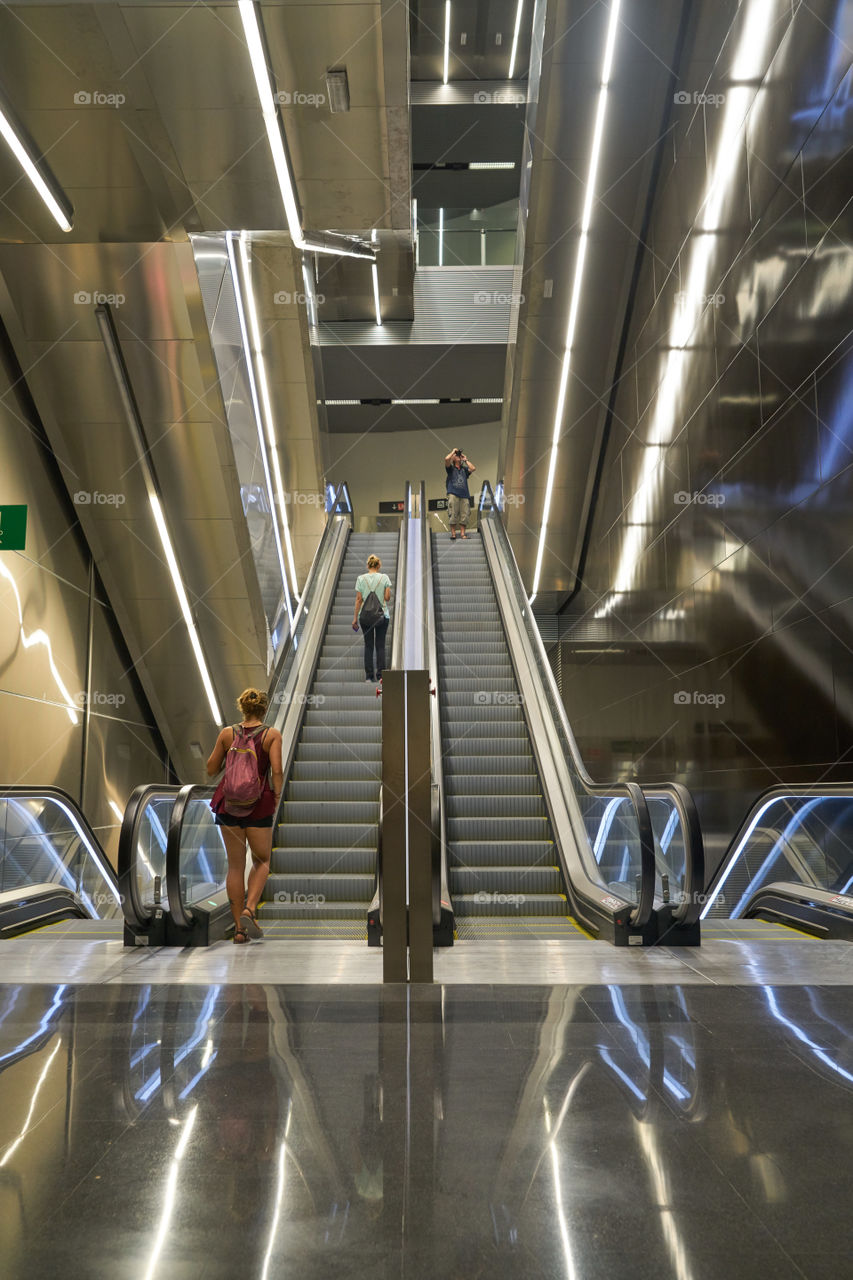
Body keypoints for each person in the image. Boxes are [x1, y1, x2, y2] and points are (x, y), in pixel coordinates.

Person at [207, 688, 283, 944]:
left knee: (235, 866)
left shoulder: (227, 734)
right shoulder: (271, 735)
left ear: (242, 707)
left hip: (228, 805)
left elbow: (210, 768)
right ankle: (251, 908)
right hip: (258, 804)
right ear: (264, 708)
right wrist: (277, 794)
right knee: (262, 860)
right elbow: (277, 770)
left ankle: (239, 929)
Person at [352, 554, 392, 682]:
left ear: (368, 565)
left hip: (365, 617)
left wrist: (355, 618)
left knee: (368, 645)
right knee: (380, 645)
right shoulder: (384, 578)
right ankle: (381, 676)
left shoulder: (360, 579)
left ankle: (369, 676)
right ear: (378, 565)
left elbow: (359, 600)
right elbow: (387, 598)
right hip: (382, 616)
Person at [444, 447, 477, 539]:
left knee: (465, 514)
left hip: (464, 495)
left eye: (458, 455)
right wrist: (453, 452)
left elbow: (473, 468)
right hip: (453, 493)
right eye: (457, 455)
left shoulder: (464, 470)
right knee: (453, 513)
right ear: (453, 458)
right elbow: (446, 459)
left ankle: (463, 534)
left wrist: (465, 460)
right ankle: (453, 534)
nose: (458, 456)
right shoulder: (450, 469)